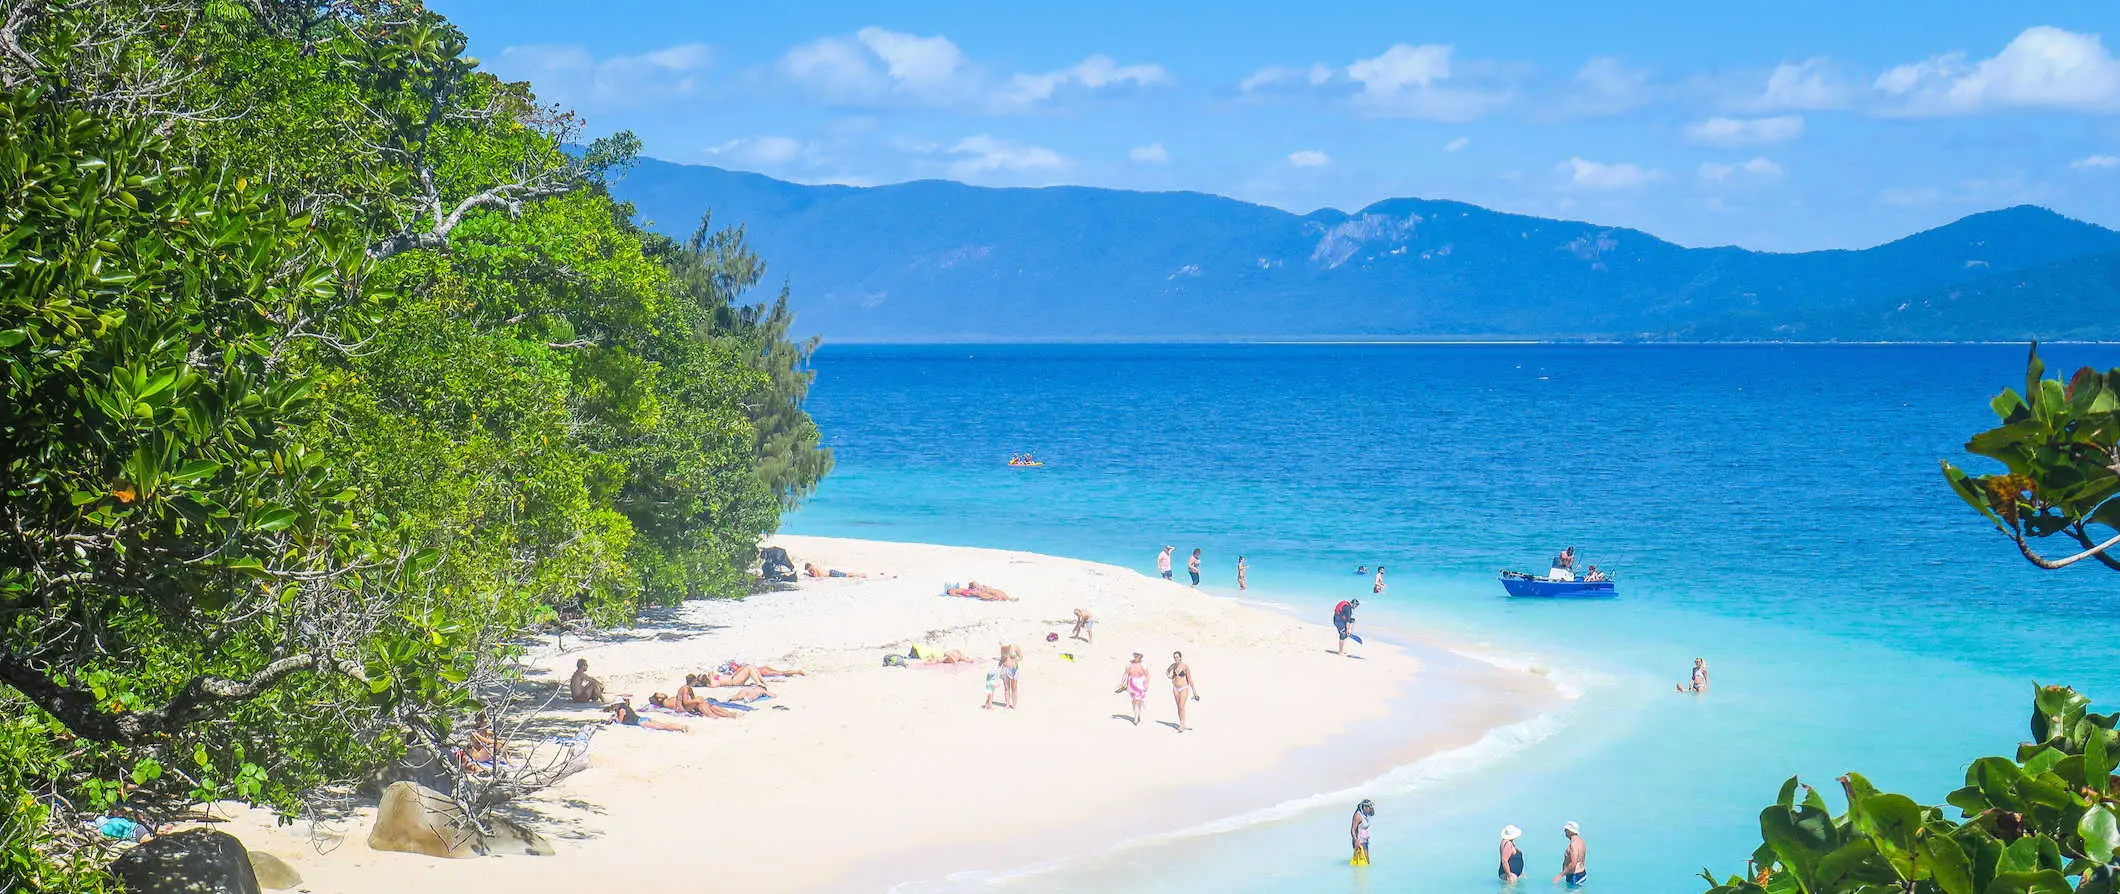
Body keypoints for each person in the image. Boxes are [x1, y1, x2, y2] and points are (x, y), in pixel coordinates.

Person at [608, 698, 686, 732]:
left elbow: (620, 721)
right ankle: (681, 726)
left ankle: (680, 728)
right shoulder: (625, 706)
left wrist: (614, 718)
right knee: (663, 724)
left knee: (663, 727)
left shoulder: (621, 710)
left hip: (640, 722)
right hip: (642, 718)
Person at [1167, 651, 1200, 732]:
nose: (1176, 659)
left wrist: (1194, 692)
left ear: (1180, 657)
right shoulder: (1173, 665)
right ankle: (1182, 723)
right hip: (1175, 688)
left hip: (1184, 688)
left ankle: (1182, 724)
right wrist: (1169, 676)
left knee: (1181, 706)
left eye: (1177, 657)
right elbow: (1167, 670)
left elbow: (1190, 679)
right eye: (1175, 657)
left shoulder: (1185, 666)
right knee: (1178, 707)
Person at [1116, 653, 1150, 725]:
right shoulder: (1129, 664)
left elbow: (1147, 675)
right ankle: (1136, 717)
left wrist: (1147, 684)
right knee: (1134, 700)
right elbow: (1126, 674)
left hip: (1141, 683)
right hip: (1132, 683)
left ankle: (1138, 714)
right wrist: (1122, 683)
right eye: (1135, 655)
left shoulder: (1143, 664)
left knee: (1139, 700)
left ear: (1140, 656)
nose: (1136, 657)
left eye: (1138, 655)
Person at [1553, 822, 1587, 887]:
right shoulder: (1582, 841)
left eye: (1566, 830)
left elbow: (1573, 864)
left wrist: (1560, 876)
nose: (1564, 831)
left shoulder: (1573, 845)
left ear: (1571, 831)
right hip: (1581, 873)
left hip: (1575, 876)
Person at [1350, 799, 1375, 866]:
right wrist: (1356, 841)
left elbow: (1372, 813)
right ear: (1364, 807)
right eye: (1368, 807)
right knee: (1363, 863)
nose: (1370, 809)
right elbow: (1352, 830)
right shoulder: (1358, 816)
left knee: (1366, 862)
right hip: (1359, 842)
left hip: (1365, 841)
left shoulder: (1365, 814)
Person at [1000, 642, 1022, 709]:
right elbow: (1002, 659)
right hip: (1005, 669)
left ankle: (1014, 705)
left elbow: (1021, 657)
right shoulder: (1003, 647)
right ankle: (1007, 704)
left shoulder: (1015, 646)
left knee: (1014, 688)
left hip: (1013, 669)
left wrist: (1015, 660)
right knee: (1006, 688)